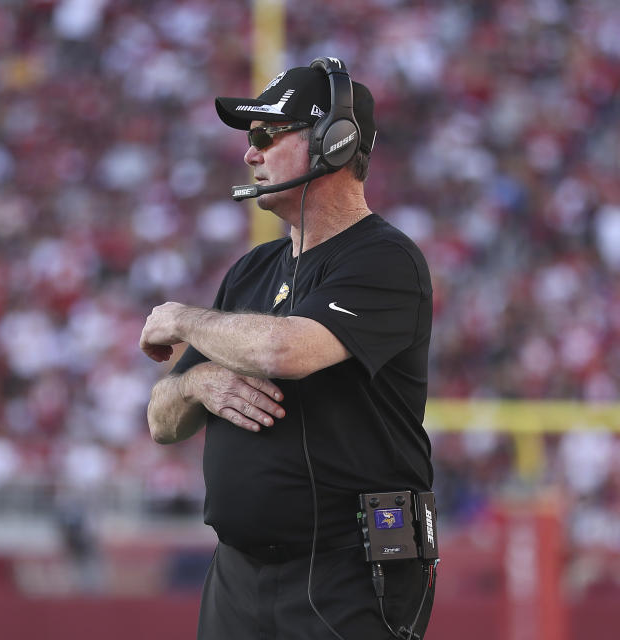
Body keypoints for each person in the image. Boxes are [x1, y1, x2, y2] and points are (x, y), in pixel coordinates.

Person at [140, 58, 435, 640]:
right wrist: (196, 383)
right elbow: (161, 420)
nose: (251, 153)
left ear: (334, 141)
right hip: (238, 574)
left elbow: (285, 351)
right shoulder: (252, 269)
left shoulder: (385, 259)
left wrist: (180, 317)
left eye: (266, 135)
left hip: (346, 575)